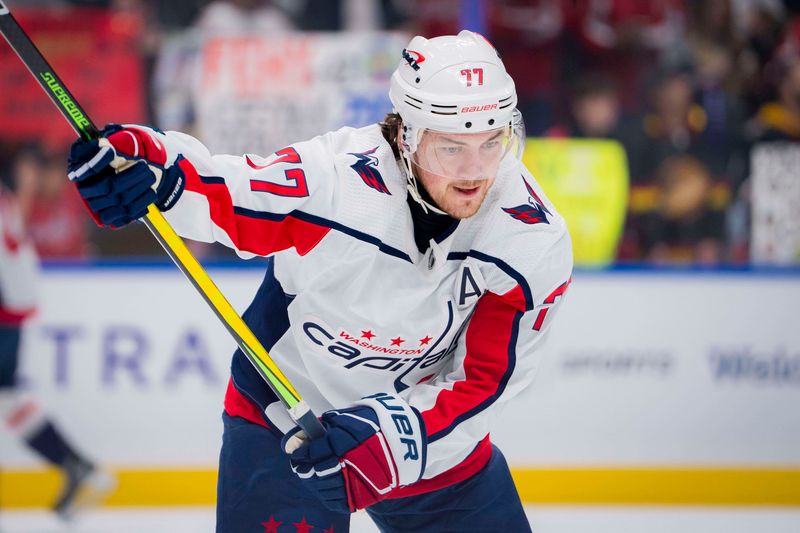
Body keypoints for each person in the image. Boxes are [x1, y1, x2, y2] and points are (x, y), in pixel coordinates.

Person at [66, 31, 573, 532]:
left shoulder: (529, 238)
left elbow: (485, 380)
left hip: (426, 432)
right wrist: (151, 167)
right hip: (287, 415)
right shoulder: (336, 179)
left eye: (492, 143)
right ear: (406, 135)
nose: (475, 172)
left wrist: (396, 438)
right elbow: (232, 193)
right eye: (451, 149)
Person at [0, 183, 114, 519]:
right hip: (14, 303)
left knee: (7, 397)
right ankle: (77, 465)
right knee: (7, 398)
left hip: (7, 304)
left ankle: (77, 465)